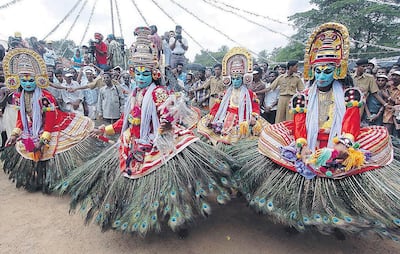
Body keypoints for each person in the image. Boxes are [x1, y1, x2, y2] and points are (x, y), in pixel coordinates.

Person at [57, 27, 233, 237]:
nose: (140, 77)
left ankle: (180, 221)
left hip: (160, 141)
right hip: (134, 141)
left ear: (154, 73)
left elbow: (167, 116)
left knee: (171, 183)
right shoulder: (135, 93)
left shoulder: (158, 93)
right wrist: (105, 128)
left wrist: (159, 138)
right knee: (125, 178)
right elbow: (127, 120)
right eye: (137, 73)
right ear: (132, 73)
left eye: (145, 73)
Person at [236, 23, 400, 241]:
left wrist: (340, 148)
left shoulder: (350, 94)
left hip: (338, 144)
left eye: (328, 71)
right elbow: (299, 124)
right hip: (308, 142)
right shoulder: (302, 96)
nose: (322, 76)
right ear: (312, 71)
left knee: (338, 186)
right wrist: (303, 146)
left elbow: (351, 124)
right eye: (318, 71)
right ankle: (298, 218)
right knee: (300, 180)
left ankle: (337, 221)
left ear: (338, 70)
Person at [1, 48, 105, 192]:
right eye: (24, 81)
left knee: (50, 151)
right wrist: (14, 135)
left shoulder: (45, 97)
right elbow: (21, 118)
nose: (28, 84)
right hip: (32, 127)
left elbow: (50, 120)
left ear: (38, 80)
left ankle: (54, 180)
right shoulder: (19, 97)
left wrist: (43, 139)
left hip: (54, 125)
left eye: (31, 80)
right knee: (27, 148)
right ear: (18, 81)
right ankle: (38, 179)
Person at [197, 47, 267, 146]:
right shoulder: (225, 93)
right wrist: (212, 116)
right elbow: (217, 107)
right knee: (220, 140)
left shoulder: (251, 94)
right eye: (233, 79)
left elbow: (255, 108)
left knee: (240, 143)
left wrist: (253, 117)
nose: (235, 81)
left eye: (238, 79)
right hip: (226, 118)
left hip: (242, 120)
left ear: (243, 79)